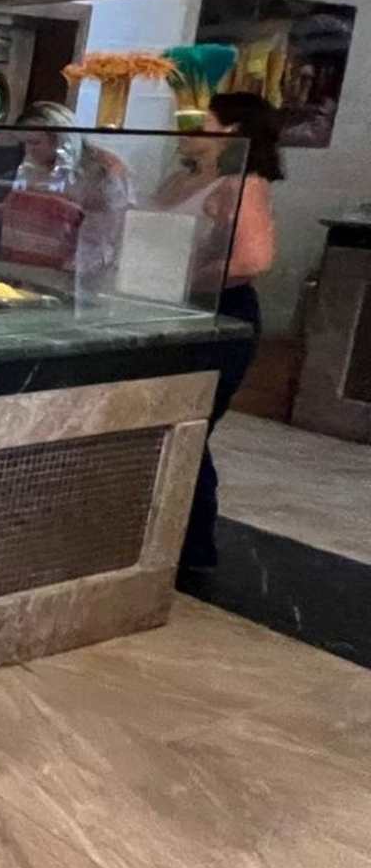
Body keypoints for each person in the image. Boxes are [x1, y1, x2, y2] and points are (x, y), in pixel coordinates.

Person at [154, 91, 281, 573]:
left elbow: (252, 260)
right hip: (170, 313)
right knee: (162, 425)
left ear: (230, 131)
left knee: (189, 429)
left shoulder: (242, 184)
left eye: (199, 119)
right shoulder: (182, 177)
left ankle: (193, 551)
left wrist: (185, 280)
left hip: (219, 319)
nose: (184, 126)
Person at [4, 100, 132, 283]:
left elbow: (109, 231)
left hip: (78, 273)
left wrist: (74, 270)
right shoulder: (30, 166)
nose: (28, 150)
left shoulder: (103, 170)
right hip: (28, 268)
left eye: (34, 142)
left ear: (61, 139)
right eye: (24, 143)